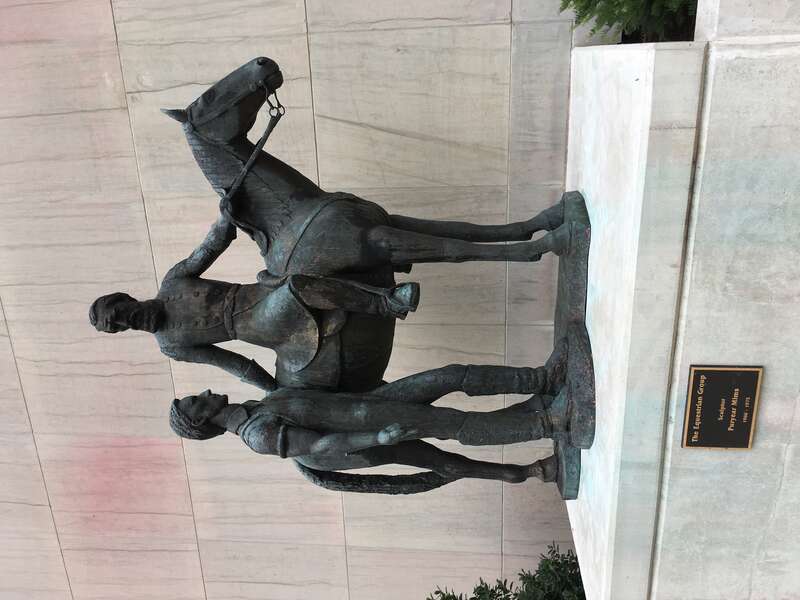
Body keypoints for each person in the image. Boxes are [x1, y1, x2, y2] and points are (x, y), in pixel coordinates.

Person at [90, 214, 419, 390]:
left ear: (126, 298)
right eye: (117, 328)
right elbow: (230, 362)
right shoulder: (171, 345)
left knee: (305, 254)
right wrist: (271, 390)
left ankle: (384, 258)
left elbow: (207, 251)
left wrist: (225, 219)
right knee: (295, 287)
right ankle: (387, 304)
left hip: (257, 290)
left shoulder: (173, 281)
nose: (125, 323)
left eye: (119, 314)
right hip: (259, 326)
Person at [169, 360, 570, 485]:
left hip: (371, 404)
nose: (202, 392)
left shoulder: (256, 403)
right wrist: (377, 436)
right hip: (371, 428)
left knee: (451, 376)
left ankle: (539, 382)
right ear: (201, 417)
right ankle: (547, 423)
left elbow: (244, 367)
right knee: (452, 425)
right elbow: (320, 447)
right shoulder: (258, 435)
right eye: (195, 400)